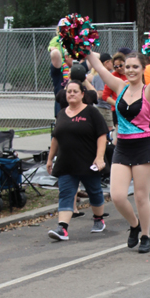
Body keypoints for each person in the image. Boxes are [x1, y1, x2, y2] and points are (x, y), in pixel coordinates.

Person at [87, 50, 150, 253]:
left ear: (142, 69)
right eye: (127, 66)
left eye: (135, 67)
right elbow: (98, 67)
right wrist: (84, 48)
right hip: (122, 146)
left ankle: (146, 235)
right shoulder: (119, 86)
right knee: (117, 196)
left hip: (143, 146)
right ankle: (134, 225)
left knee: (141, 196)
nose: (130, 70)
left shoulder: (149, 92)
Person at [46, 78, 108, 241]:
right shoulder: (61, 114)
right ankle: (62, 229)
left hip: (88, 161)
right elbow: (56, 138)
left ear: (82, 94)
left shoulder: (91, 112)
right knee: (66, 193)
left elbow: (102, 135)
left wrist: (99, 157)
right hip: (66, 163)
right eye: (68, 91)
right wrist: (50, 159)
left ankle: (98, 219)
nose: (71, 94)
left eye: (75, 91)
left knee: (94, 192)